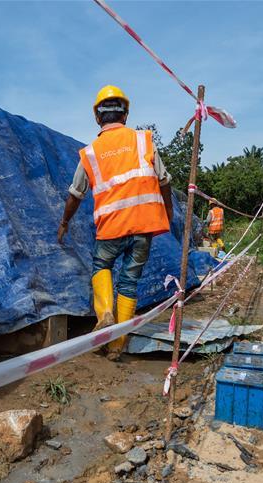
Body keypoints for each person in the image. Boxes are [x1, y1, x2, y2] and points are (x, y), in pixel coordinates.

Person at [57, 85, 173, 361]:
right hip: (144, 226)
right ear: (125, 114)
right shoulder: (144, 141)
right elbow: (165, 181)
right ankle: (117, 345)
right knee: (129, 281)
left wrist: (64, 222)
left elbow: (75, 194)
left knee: (102, 266)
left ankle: (106, 313)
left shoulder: (91, 153)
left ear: (98, 117)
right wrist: (167, 211)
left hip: (111, 226)